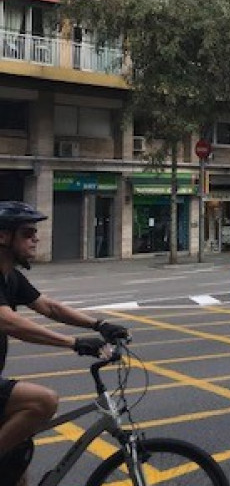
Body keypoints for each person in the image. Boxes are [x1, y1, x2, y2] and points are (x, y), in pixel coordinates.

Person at [0, 202, 129, 486]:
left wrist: (99, 325)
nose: (36, 238)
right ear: (3, 237)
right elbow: (8, 322)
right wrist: (74, 343)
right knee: (44, 401)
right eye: (28, 233)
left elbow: (50, 307)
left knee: (14, 464)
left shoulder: (10, 276)